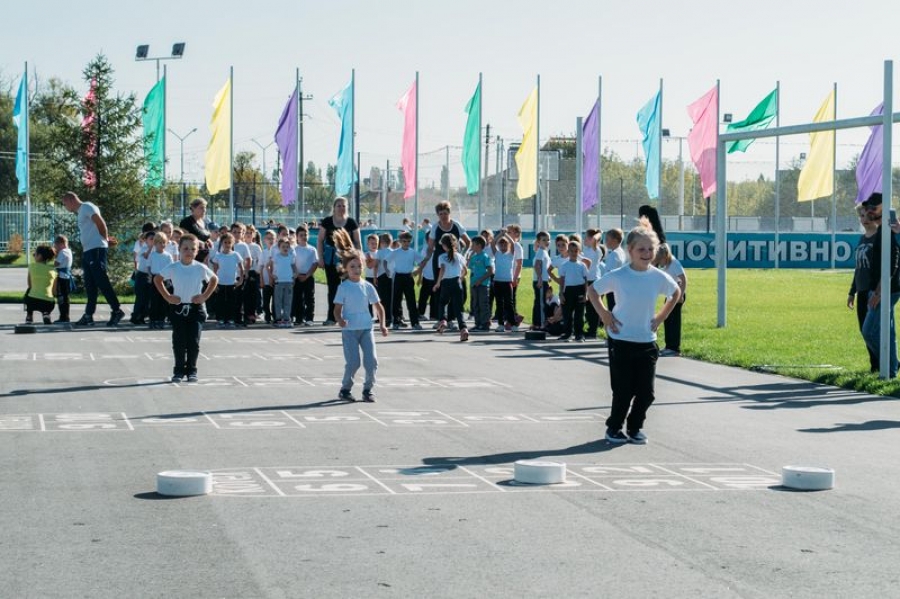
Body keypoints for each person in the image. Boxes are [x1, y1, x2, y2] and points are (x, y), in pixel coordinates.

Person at [588, 226, 681, 445]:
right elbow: (593, 291)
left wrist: (660, 318)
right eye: (641, 249)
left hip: (646, 341)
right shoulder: (620, 276)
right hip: (621, 339)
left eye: (650, 249)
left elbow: (676, 292)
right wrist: (604, 314)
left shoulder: (658, 277)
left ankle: (634, 426)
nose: (647, 253)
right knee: (623, 390)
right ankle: (614, 428)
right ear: (630, 250)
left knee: (646, 393)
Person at [332, 229, 389, 402]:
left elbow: (379, 307)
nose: (356, 270)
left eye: (359, 266)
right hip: (349, 330)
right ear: (346, 269)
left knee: (371, 361)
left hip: (366, 328)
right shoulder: (344, 287)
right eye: (352, 267)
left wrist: (382, 324)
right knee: (354, 363)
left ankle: (368, 390)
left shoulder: (368, 286)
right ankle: (345, 389)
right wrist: (340, 320)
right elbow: (336, 309)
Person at [153, 234, 219, 383]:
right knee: (179, 341)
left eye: (192, 249)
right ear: (179, 249)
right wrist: (168, 297)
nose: (189, 251)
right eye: (185, 248)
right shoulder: (174, 267)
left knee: (193, 342)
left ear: (197, 251)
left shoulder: (200, 267)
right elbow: (157, 279)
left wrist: (204, 296)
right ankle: (178, 371)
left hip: (196, 309)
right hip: (178, 309)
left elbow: (214, 279)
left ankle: (192, 370)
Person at [60, 191, 125, 326]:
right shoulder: (81, 212)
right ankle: (89, 315)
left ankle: (117, 310)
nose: (65, 207)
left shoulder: (87, 207)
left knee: (102, 281)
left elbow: (101, 223)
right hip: (88, 251)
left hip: (96, 250)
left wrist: (105, 240)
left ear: (71, 200)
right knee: (90, 285)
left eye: (65, 204)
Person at [859, 193, 900, 377]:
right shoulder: (882, 229)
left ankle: (891, 364)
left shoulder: (890, 229)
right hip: (881, 288)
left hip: (886, 289)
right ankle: (891, 371)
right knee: (888, 333)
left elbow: (893, 263)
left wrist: (879, 292)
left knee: (869, 331)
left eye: (873, 208)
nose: (869, 212)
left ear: (884, 208)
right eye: (867, 208)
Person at [318, 197, 361, 325]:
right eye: (339, 205)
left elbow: (357, 242)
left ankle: (350, 316)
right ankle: (332, 317)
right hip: (331, 259)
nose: (341, 208)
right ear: (334, 207)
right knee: (333, 288)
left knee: (349, 287)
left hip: (348, 259)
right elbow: (320, 240)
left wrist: (358, 258)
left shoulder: (351, 222)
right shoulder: (327, 222)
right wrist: (320, 258)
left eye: (344, 206)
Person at [848, 203, 880, 372]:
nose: (864, 219)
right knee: (863, 329)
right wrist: (852, 291)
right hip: (861, 290)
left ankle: (885, 363)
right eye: (861, 216)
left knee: (872, 330)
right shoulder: (862, 238)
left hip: (874, 291)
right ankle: (875, 365)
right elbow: (858, 267)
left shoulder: (880, 238)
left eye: (867, 216)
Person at [433, 233, 469, 341]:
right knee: (458, 308)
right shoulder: (460, 256)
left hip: (446, 283)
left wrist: (438, 283)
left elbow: (442, 270)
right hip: (457, 282)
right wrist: (460, 278)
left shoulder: (441, 257)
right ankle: (463, 329)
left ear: (444, 245)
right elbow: (465, 270)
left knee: (442, 303)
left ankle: (443, 320)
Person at [653, 243, 687, 356]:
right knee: (667, 320)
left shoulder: (674, 263)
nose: (659, 262)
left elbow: (684, 279)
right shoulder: (666, 264)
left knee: (674, 322)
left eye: (660, 259)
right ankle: (669, 346)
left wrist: (680, 295)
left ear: (665, 256)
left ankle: (674, 348)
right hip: (670, 295)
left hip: (677, 295)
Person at [557, 240, 590, 342]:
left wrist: (586, 294)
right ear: (568, 252)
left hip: (579, 290)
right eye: (571, 251)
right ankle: (567, 333)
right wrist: (561, 294)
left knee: (579, 314)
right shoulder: (564, 265)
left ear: (579, 252)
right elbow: (562, 281)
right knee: (567, 314)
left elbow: (585, 281)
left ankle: (579, 334)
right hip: (568, 291)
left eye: (576, 251)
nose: (574, 253)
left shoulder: (582, 265)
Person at [211, 232, 244, 328]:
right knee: (220, 302)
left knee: (231, 302)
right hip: (220, 283)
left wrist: (240, 280)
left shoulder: (236, 255)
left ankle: (230, 319)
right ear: (222, 243)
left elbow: (241, 268)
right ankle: (220, 319)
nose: (227, 244)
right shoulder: (218, 255)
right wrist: (215, 284)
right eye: (225, 242)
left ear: (232, 243)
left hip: (232, 283)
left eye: (229, 242)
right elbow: (215, 270)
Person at [390, 231, 421, 330]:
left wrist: (418, 271)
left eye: (408, 241)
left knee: (411, 300)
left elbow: (422, 261)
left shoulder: (413, 252)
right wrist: (388, 271)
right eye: (404, 241)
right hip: (398, 276)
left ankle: (415, 323)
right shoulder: (395, 252)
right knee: (396, 300)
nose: (406, 243)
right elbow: (386, 261)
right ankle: (396, 321)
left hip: (408, 276)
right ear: (400, 241)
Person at [491, 231, 517, 332]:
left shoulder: (510, 254)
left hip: (507, 282)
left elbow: (513, 243)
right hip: (497, 281)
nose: (503, 245)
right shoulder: (497, 254)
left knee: (509, 304)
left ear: (508, 245)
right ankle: (501, 324)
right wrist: (500, 235)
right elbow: (493, 243)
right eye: (501, 244)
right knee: (499, 304)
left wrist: (506, 235)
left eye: (505, 243)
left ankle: (513, 324)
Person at [292, 224, 319, 326]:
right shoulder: (294, 249)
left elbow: (315, 263)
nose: (303, 237)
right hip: (297, 277)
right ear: (297, 237)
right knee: (298, 298)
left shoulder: (312, 249)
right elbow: (292, 263)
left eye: (305, 235)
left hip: (308, 277)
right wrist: (297, 274)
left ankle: (309, 318)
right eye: (301, 235)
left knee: (309, 298)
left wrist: (307, 275)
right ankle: (299, 318)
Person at [24, 245, 57, 325]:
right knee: (50, 299)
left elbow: (29, 284)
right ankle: (46, 313)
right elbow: (54, 291)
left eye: (35, 254)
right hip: (47, 302)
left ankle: (29, 315)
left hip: (32, 300)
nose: (34, 256)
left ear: (39, 256)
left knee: (28, 292)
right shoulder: (54, 271)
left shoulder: (31, 267)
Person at [148, 231, 175, 329]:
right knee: (154, 301)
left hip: (165, 280)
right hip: (155, 279)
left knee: (164, 301)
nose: (162, 245)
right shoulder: (152, 255)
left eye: (164, 242)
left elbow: (171, 268)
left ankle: (161, 320)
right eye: (160, 242)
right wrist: (150, 276)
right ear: (155, 244)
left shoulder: (168, 256)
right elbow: (149, 267)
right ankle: (153, 319)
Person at [582, 228, 606, 339]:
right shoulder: (585, 250)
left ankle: (593, 331)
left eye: (586, 237)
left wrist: (599, 233)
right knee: (588, 306)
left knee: (593, 307)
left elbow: (595, 239)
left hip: (594, 280)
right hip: (586, 279)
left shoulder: (596, 250)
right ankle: (590, 328)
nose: (584, 239)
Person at [269, 238, 297, 328]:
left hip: (288, 281)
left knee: (287, 300)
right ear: (279, 247)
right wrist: (272, 275)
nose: (285, 248)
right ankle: (278, 318)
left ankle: (286, 318)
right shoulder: (276, 256)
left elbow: (293, 266)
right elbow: (269, 266)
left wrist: (295, 273)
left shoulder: (290, 256)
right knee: (278, 300)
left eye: (287, 247)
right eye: (283, 247)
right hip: (279, 281)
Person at [468, 236, 493, 331]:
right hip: (474, 285)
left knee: (483, 304)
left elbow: (490, 271)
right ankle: (477, 323)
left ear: (479, 245)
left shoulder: (485, 257)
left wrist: (480, 280)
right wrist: (470, 256)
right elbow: (469, 266)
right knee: (475, 304)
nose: (471, 246)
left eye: (473, 244)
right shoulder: (474, 257)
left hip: (482, 285)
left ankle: (485, 324)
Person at [179, 198, 213, 264]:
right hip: (191, 258)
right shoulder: (186, 222)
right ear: (193, 208)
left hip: (205, 258)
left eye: (205, 208)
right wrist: (198, 242)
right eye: (201, 208)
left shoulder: (204, 221)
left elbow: (205, 236)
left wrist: (209, 241)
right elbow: (183, 237)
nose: (204, 210)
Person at [531, 231, 551, 330]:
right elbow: (537, 265)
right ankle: (541, 324)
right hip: (540, 281)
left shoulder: (544, 251)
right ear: (538, 241)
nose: (547, 242)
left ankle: (536, 323)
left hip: (543, 280)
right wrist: (540, 278)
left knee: (539, 301)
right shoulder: (541, 251)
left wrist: (548, 277)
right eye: (544, 240)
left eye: (548, 239)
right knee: (541, 303)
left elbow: (544, 267)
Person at [52, 235, 74, 323]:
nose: (55, 247)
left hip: (62, 277)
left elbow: (56, 264)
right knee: (65, 297)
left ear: (61, 244)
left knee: (61, 297)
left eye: (56, 245)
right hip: (66, 276)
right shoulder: (68, 251)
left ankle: (63, 317)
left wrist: (55, 255)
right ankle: (65, 316)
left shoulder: (62, 252)